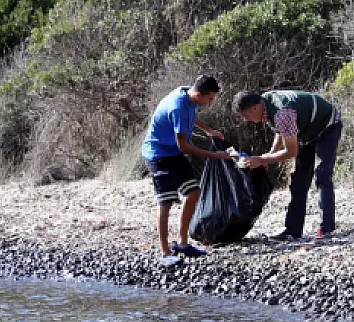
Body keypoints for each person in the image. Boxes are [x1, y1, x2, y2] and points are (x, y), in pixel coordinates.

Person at [141, 75, 232, 266]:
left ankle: (182, 243)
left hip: (173, 153)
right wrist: (215, 155)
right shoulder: (177, 106)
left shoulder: (187, 93)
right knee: (166, 202)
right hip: (158, 155)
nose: (211, 102)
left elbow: (191, 116)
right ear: (199, 94)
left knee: (193, 192)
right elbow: (184, 147)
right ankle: (165, 252)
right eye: (210, 99)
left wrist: (208, 130)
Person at [231, 89, 342, 242]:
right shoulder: (266, 103)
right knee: (298, 181)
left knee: (322, 174)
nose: (246, 120)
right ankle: (292, 231)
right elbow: (280, 130)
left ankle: (327, 228)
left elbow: (291, 151)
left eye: (245, 115)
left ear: (255, 108)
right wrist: (270, 153)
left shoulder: (282, 112)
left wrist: (263, 160)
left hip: (327, 126)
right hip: (306, 131)